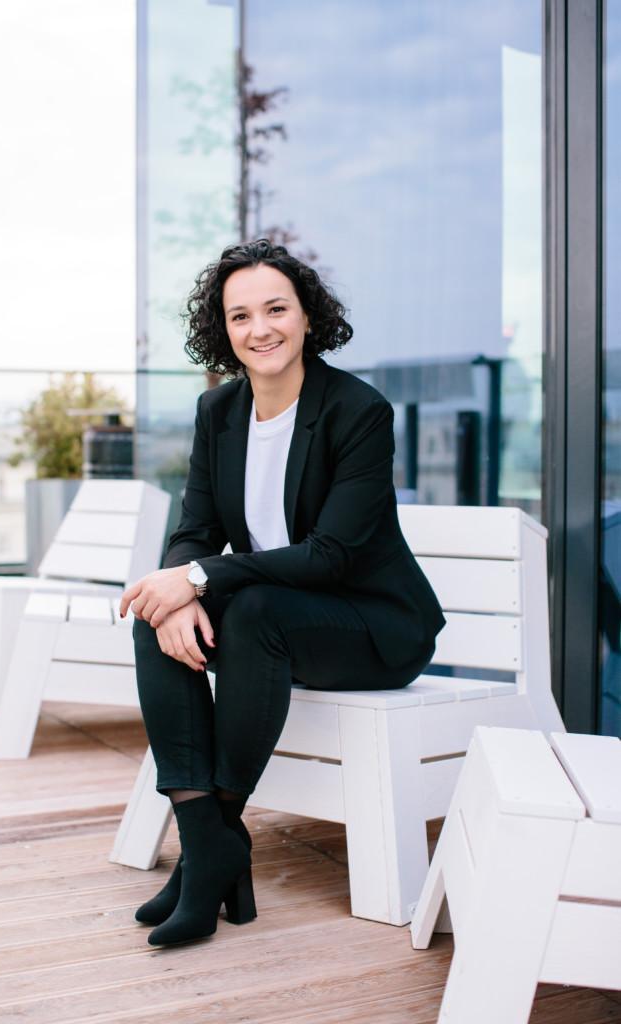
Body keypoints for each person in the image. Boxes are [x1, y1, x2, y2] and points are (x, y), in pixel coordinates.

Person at [119, 238, 446, 948]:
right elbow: (196, 527)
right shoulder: (219, 413)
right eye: (240, 316)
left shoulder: (356, 411)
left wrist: (201, 577)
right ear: (223, 330)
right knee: (154, 611)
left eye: (275, 309)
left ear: (306, 318)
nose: (259, 329)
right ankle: (209, 839)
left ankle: (209, 852)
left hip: (372, 627)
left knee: (248, 610)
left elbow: (331, 555)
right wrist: (179, 585)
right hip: (279, 618)